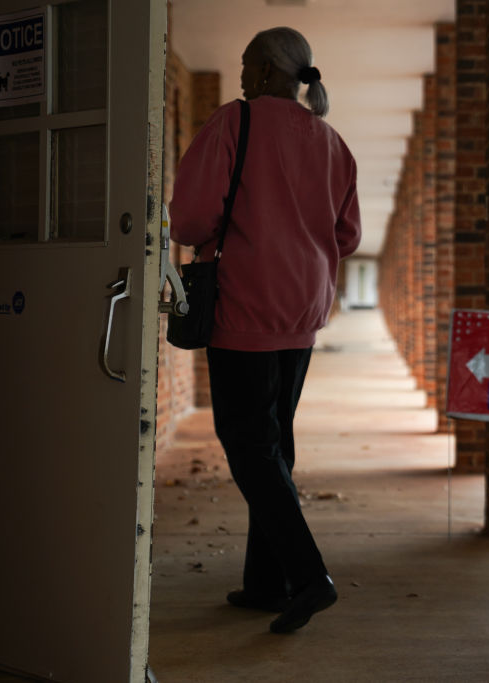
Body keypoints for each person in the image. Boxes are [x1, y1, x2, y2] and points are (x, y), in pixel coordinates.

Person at [169, 26, 360, 634]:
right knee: (274, 438)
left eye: (251, 64)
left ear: (275, 71)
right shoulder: (332, 143)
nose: (244, 73)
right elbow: (348, 235)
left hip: (247, 305)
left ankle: (308, 577)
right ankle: (266, 582)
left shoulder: (236, 122)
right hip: (303, 309)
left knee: (249, 445)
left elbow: (193, 216)